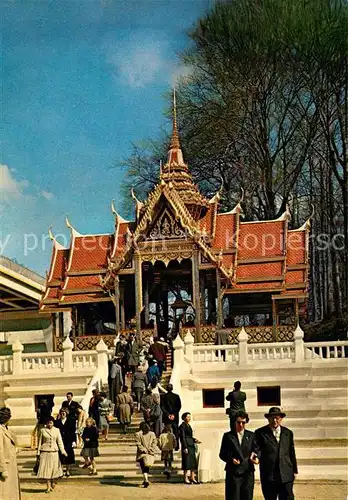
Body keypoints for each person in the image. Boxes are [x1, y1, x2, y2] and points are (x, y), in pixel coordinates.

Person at [255, 407, 298, 500]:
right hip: (269, 474)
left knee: (287, 497)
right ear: (268, 419)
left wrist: (294, 470)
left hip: (286, 474)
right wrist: (257, 457)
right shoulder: (260, 433)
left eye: (277, 418)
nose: (274, 420)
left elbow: (291, 452)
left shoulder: (288, 433)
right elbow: (257, 449)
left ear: (281, 419)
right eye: (272, 418)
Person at [219, 410, 259, 500]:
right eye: (238, 422)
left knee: (247, 497)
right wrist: (231, 459)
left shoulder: (251, 435)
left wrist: (256, 457)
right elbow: (222, 454)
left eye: (243, 422)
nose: (241, 425)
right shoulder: (228, 436)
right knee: (233, 497)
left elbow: (256, 450)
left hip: (247, 472)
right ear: (235, 422)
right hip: (233, 472)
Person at [37, 416, 67, 493]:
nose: (49, 424)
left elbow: (60, 442)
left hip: (54, 452)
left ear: (53, 423)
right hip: (45, 452)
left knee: (55, 469)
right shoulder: (42, 430)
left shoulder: (57, 430)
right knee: (46, 470)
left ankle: (53, 481)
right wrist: (38, 453)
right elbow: (39, 442)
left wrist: (63, 451)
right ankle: (48, 486)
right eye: (48, 423)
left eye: (51, 423)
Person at [0, 407, 21, 500]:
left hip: (11, 464)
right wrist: (3, 469)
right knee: (5, 493)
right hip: (5, 466)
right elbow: (0, 450)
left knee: (11, 492)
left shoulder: (6, 429)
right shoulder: (0, 431)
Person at [179, 412, 201, 484]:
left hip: (191, 445)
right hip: (186, 445)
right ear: (184, 417)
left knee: (192, 462)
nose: (189, 418)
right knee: (186, 462)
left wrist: (195, 440)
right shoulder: (182, 426)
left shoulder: (189, 426)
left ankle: (192, 477)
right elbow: (182, 437)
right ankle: (185, 478)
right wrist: (185, 447)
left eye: (189, 417)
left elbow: (190, 436)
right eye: (188, 417)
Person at [135, 421, 158, 488]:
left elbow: (138, 443)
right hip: (150, 453)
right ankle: (145, 479)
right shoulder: (152, 433)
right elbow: (155, 442)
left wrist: (144, 450)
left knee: (143, 466)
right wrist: (151, 449)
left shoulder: (137, 434)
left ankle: (146, 479)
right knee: (147, 466)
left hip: (142, 453)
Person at [54, 408, 76, 477]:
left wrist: (74, 441)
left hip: (68, 441)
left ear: (66, 413)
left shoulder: (71, 421)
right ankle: (61, 471)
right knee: (60, 456)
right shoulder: (56, 422)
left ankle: (67, 470)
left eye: (64, 412)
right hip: (60, 441)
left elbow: (73, 432)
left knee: (68, 456)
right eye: (61, 412)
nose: (63, 414)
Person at [161, 384, 182, 450]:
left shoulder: (163, 397)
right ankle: (177, 446)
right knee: (176, 431)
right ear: (172, 388)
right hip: (175, 417)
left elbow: (162, 407)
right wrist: (173, 414)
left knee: (167, 431)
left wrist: (168, 415)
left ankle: (168, 446)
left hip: (167, 417)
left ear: (166, 389)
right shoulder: (176, 396)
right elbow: (178, 406)